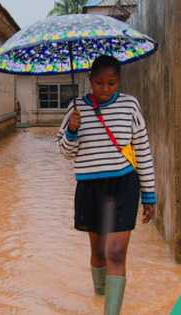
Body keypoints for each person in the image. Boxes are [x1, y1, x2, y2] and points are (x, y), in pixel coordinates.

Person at [56, 55, 156, 315]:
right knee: (99, 253)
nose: (105, 89)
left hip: (123, 185)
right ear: (90, 81)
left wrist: (149, 194)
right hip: (90, 188)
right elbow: (66, 153)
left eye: (111, 83)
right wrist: (72, 131)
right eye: (99, 83)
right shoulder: (75, 108)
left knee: (115, 253)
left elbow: (142, 150)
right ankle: (100, 297)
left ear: (119, 81)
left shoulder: (130, 106)